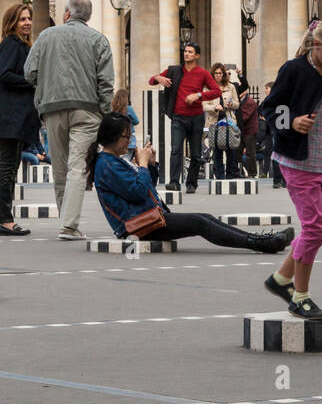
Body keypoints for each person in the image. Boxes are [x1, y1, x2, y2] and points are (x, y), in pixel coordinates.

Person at [260, 14, 322, 321]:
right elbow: (268, 109)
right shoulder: (294, 70)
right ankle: (299, 297)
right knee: (314, 228)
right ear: (317, 45)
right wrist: (291, 121)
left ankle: (280, 280)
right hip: (297, 161)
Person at [89, 112, 293, 254]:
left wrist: (150, 165)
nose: (130, 140)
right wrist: (141, 165)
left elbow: (147, 188)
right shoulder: (106, 165)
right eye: (127, 136)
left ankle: (259, 239)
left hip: (148, 218)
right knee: (200, 223)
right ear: (114, 137)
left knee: (204, 218)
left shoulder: (113, 161)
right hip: (138, 226)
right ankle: (260, 243)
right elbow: (139, 192)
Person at [24, 0, 114, 241]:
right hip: (87, 109)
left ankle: (66, 222)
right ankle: (68, 225)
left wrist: (45, 86)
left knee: (60, 168)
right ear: (88, 17)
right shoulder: (99, 39)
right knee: (77, 168)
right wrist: (105, 111)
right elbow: (106, 82)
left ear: (66, 14)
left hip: (52, 107)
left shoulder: (45, 36)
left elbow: (29, 72)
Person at [0, 4, 39, 236]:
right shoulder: (11, 43)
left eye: (29, 19)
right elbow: (4, 75)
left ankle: (5, 219)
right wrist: (31, 82)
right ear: (12, 23)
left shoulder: (20, 44)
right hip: (9, 115)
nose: (27, 23)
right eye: (22, 20)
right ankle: (4, 220)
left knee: (11, 166)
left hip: (15, 116)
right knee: (8, 167)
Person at [150, 43, 221, 194]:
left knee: (195, 153)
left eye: (190, 52)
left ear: (197, 56)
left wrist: (199, 95)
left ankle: (191, 183)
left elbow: (216, 92)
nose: (186, 54)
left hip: (196, 117)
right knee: (175, 149)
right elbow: (152, 80)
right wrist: (158, 78)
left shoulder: (202, 73)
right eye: (185, 51)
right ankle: (174, 182)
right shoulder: (174, 71)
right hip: (178, 118)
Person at [205, 61, 242, 180]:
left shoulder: (231, 87)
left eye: (220, 73)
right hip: (214, 122)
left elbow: (237, 104)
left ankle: (231, 175)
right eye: (216, 73)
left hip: (229, 121)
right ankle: (220, 176)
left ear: (223, 74)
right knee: (217, 151)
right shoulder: (208, 88)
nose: (218, 75)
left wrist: (231, 104)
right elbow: (204, 106)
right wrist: (214, 107)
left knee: (231, 149)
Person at [237, 81, 260, 178]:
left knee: (250, 153)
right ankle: (239, 171)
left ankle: (252, 173)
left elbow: (244, 117)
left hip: (249, 131)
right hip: (241, 130)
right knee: (237, 151)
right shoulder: (239, 101)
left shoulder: (250, 102)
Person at [110, 89, 139, 155]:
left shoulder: (113, 109)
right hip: (129, 139)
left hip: (116, 139)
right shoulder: (128, 109)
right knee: (127, 161)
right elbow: (136, 121)